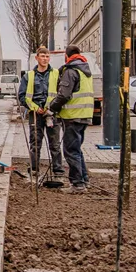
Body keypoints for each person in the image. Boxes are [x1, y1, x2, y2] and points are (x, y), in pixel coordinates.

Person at [48, 44, 95, 193]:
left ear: (66, 56)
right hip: (84, 115)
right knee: (77, 149)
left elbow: (64, 95)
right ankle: (84, 180)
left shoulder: (71, 71)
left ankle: (77, 185)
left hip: (72, 117)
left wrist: (52, 108)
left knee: (70, 150)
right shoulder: (85, 70)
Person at [18, 46, 65, 180]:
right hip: (36, 114)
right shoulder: (29, 76)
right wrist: (34, 107)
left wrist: (52, 107)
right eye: (42, 56)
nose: (45, 59)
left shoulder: (56, 74)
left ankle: (58, 171)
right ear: (37, 58)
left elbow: (61, 93)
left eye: (47, 56)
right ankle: (34, 169)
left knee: (54, 143)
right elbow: (22, 96)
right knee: (35, 142)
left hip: (51, 113)